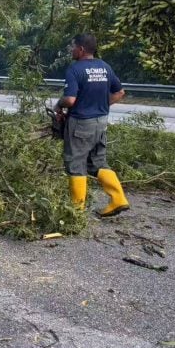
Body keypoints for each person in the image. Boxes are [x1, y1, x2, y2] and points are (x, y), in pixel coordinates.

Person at [55, 33, 129, 217]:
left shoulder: (75, 69)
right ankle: (118, 199)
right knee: (98, 162)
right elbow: (120, 93)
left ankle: (76, 211)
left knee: (76, 164)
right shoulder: (105, 67)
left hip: (80, 123)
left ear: (80, 49)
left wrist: (58, 105)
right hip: (101, 122)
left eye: (72, 46)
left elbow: (70, 100)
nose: (71, 50)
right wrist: (101, 105)